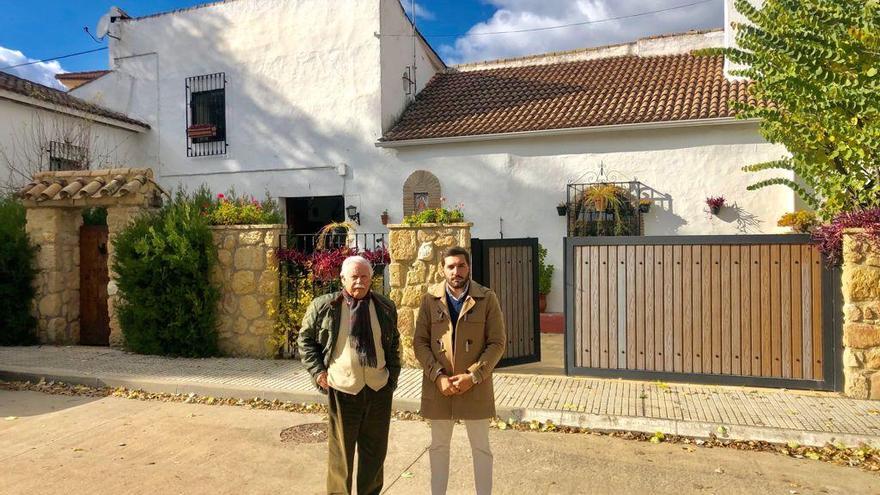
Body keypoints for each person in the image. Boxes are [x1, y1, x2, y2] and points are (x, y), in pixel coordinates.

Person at [298, 255, 400, 495]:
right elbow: (305, 340)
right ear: (342, 278)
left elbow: (393, 343)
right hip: (343, 390)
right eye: (354, 277)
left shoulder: (385, 306)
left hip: (378, 391)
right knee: (341, 457)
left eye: (364, 276)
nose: (359, 282)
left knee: (374, 455)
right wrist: (317, 372)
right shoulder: (325, 306)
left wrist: (391, 379)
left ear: (371, 278)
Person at [413, 246, 506, 495]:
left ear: (469, 267)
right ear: (442, 269)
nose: (456, 271)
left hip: (475, 385)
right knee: (439, 448)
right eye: (451, 266)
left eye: (461, 266)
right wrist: (437, 376)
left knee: (481, 448)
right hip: (440, 388)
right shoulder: (429, 299)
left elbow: (497, 343)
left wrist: (474, 375)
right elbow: (419, 342)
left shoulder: (487, 298)